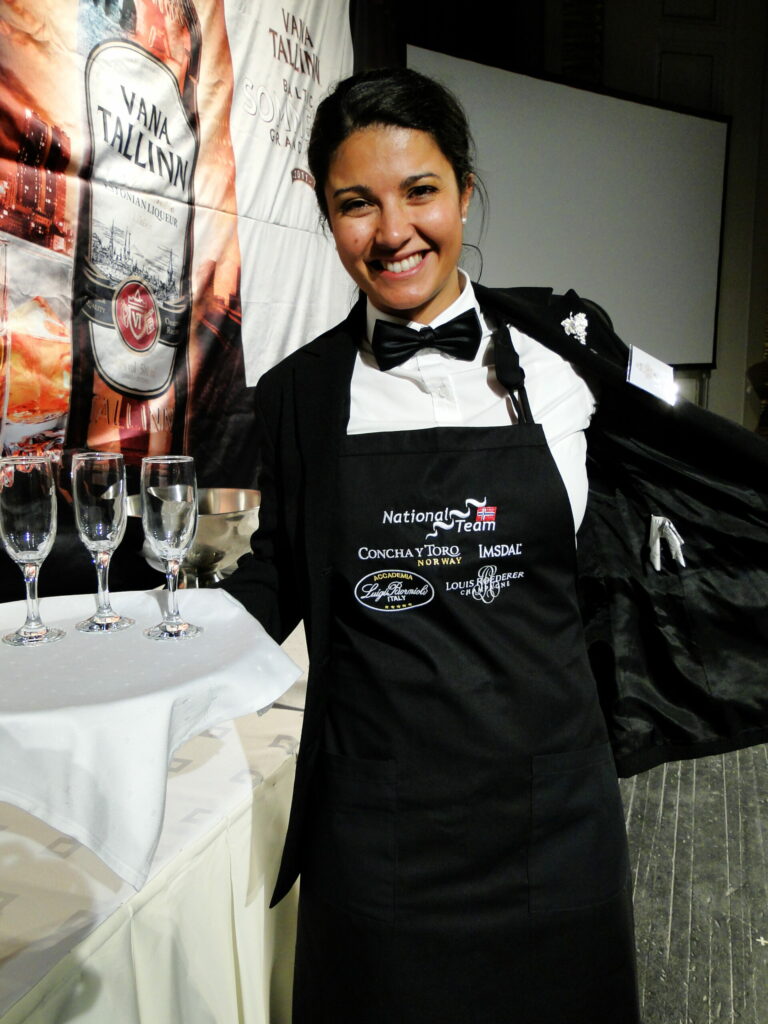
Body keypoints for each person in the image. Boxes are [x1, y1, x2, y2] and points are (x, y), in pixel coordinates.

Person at [222, 67, 768, 1023]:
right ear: (327, 217)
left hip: (549, 814)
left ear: (465, 193)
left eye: (420, 192)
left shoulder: (568, 352)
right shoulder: (299, 394)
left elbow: (690, 461)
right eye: (357, 205)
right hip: (378, 829)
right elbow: (281, 572)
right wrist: (152, 642)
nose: (393, 232)